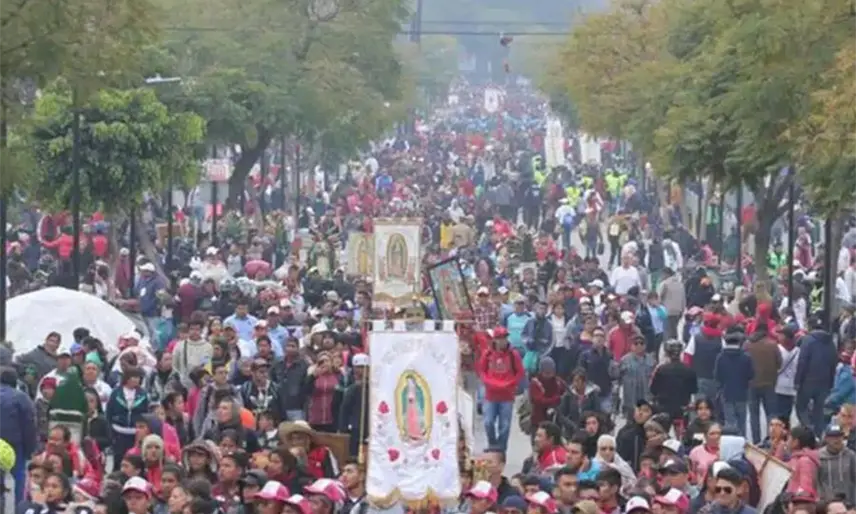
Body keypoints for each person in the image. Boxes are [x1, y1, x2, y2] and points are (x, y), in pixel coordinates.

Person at [477, 327, 524, 452]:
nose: (502, 341)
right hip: (490, 395)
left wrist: (510, 383)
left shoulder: (513, 355)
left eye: (504, 338)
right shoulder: (487, 354)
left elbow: (520, 372)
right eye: (499, 338)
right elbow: (481, 371)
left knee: (505, 426)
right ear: (495, 340)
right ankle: (492, 445)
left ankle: (501, 449)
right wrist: (489, 382)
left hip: (507, 396)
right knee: (488, 422)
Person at [0, 367, 36, 506]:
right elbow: (29, 425)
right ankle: (20, 508)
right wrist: (30, 449)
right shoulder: (22, 398)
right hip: (14, 444)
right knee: (19, 477)